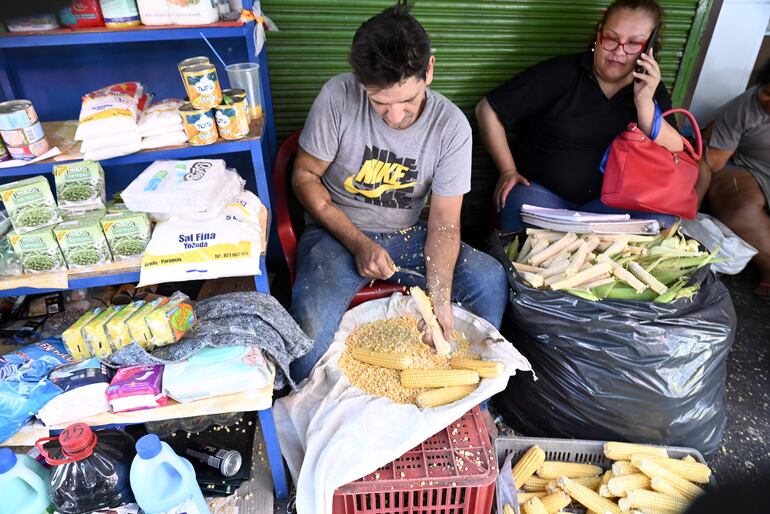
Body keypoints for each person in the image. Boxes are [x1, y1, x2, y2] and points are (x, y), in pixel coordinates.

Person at [288, 2, 508, 382]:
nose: (394, 116)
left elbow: (443, 224)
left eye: (407, 100)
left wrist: (440, 298)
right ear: (361, 85)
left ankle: (470, 388)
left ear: (430, 70)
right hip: (335, 232)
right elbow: (304, 176)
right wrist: (357, 242)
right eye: (379, 103)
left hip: (407, 235)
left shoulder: (452, 128)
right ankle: (302, 413)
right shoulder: (337, 96)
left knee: (488, 278)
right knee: (310, 336)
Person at [475, 0, 690, 232]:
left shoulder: (651, 89)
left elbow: (677, 147)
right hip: (543, 199)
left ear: (650, 48)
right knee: (516, 202)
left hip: (609, 208)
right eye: (611, 38)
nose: (619, 51)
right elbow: (487, 109)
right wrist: (508, 171)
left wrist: (645, 104)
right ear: (599, 34)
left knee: (663, 223)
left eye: (634, 44)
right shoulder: (563, 73)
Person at [702, 60, 770, 298]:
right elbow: (714, 162)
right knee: (741, 209)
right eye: (768, 93)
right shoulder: (746, 108)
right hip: (746, 163)